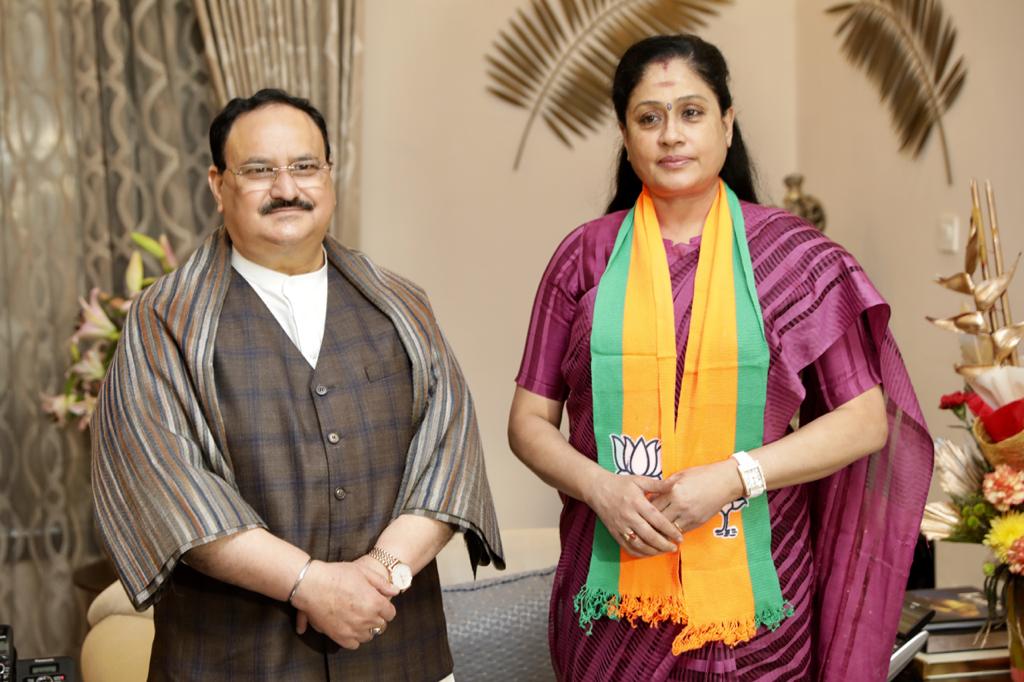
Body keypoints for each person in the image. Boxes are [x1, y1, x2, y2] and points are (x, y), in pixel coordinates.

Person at [508, 35, 931, 681]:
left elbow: (865, 420)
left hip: (758, 594)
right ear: (625, 136)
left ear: (727, 125)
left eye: (692, 112)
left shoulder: (793, 258)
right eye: (649, 117)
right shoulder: (584, 257)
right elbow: (528, 422)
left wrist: (735, 477)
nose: (671, 135)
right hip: (613, 592)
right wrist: (601, 488)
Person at [91, 88, 503, 681]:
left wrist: (377, 575)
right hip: (234, 661)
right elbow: (167, 487)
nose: (287, 188)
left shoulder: (403, 307)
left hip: (397, 651)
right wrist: (310, 583)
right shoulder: (162, 322)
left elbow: (449, 454)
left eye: (305, 167)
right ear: (217, 184)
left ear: (330, 176)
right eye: (259, 171)